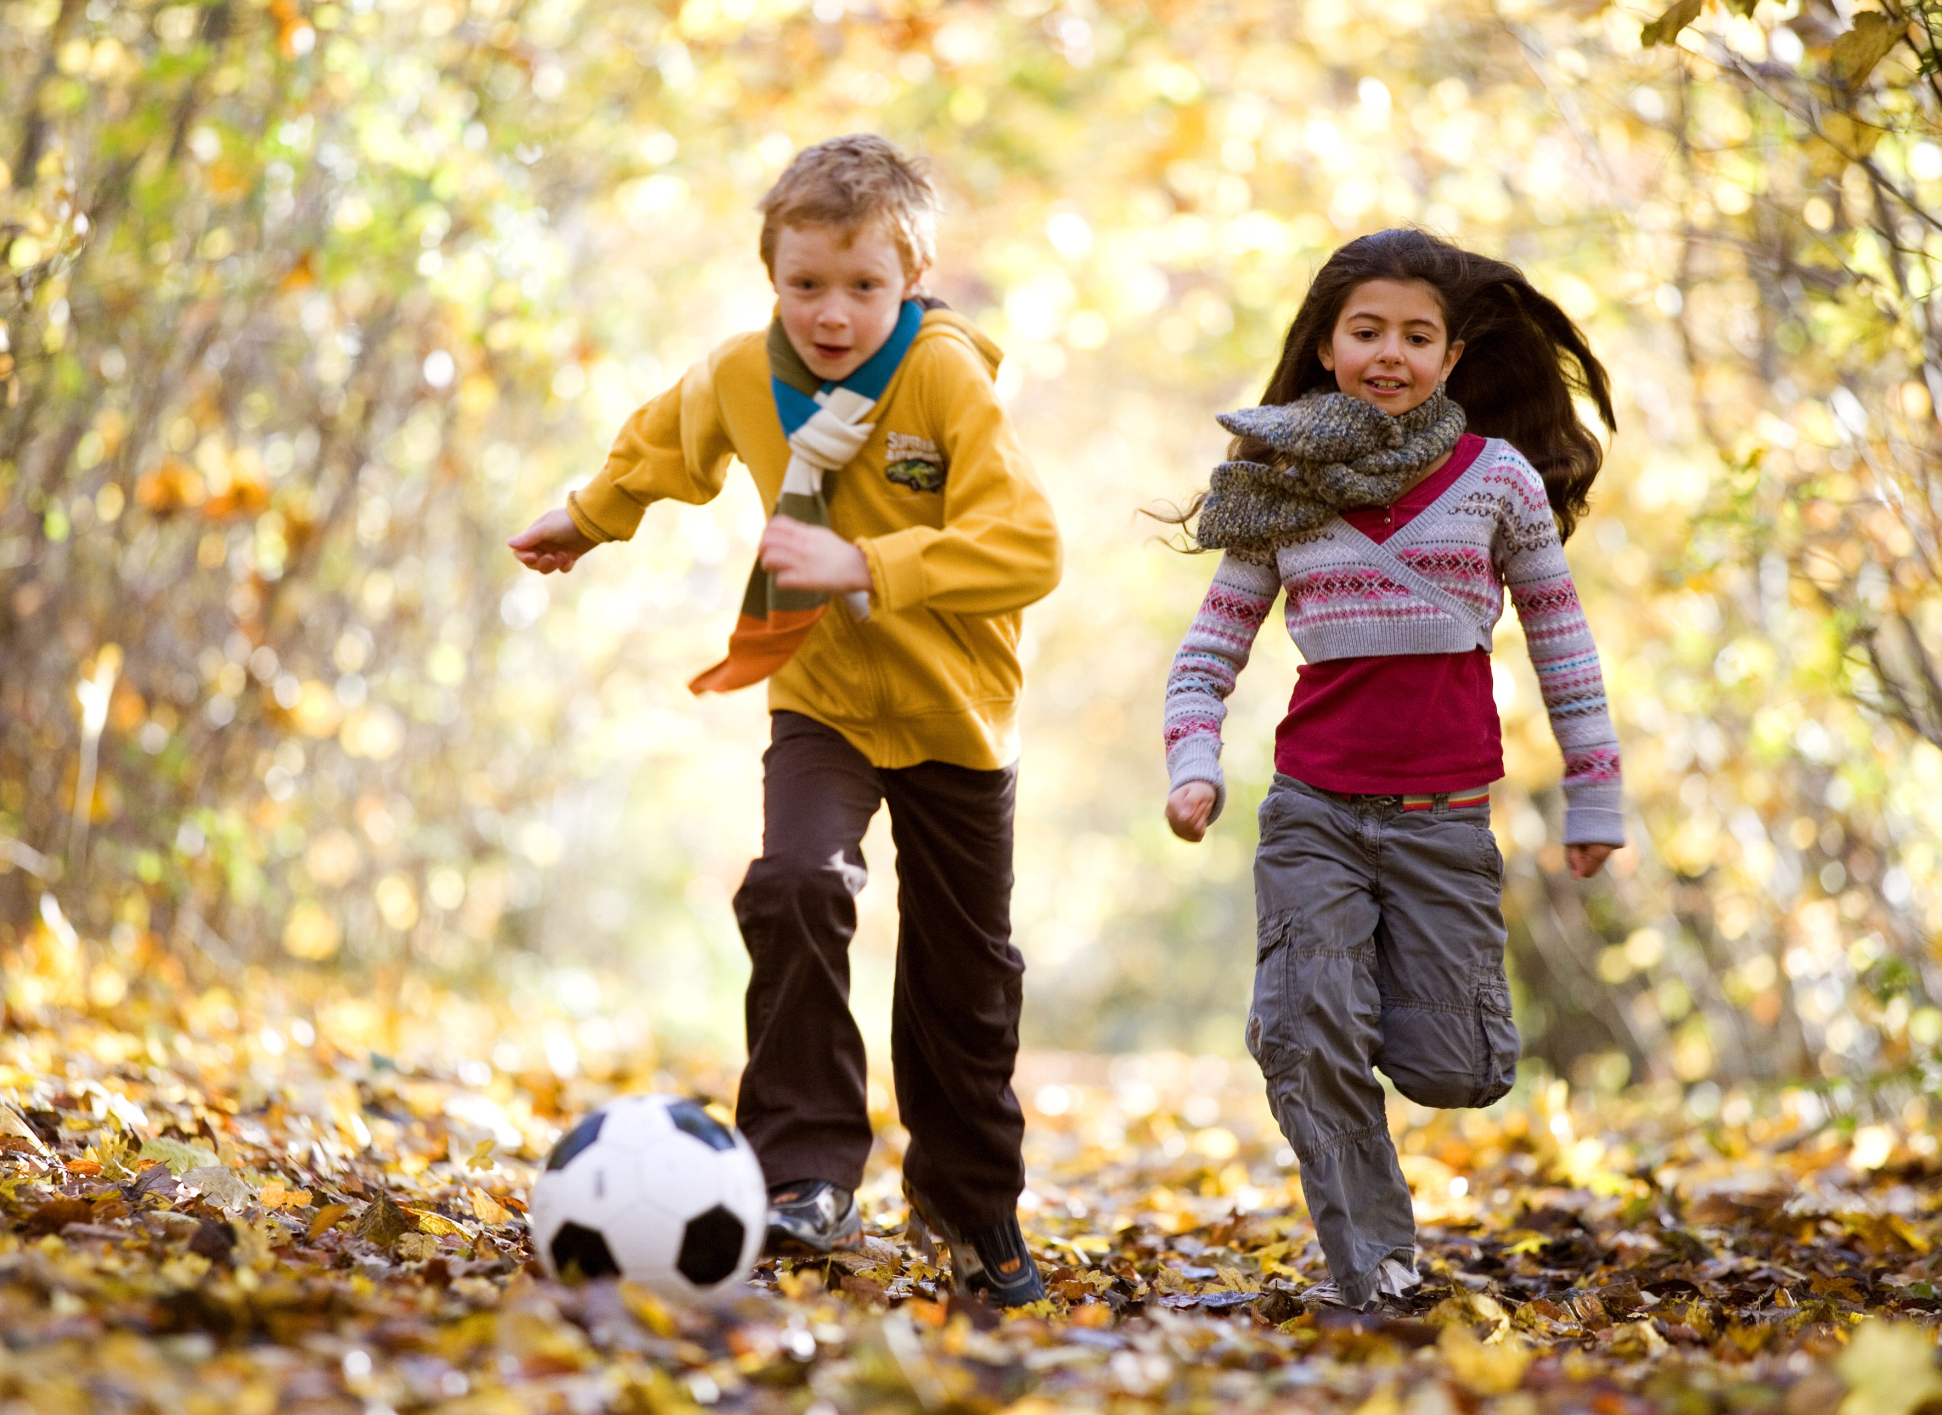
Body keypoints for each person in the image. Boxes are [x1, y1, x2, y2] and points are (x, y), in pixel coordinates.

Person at [508, 135, 1061, 1306]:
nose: (830, 312)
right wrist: (585, 517)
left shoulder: (947, 380)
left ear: (910, 278)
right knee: (796, 882)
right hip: (821, 694)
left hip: (958, 710)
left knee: (964, 976)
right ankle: (804, 1172)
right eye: (804, 283)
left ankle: (971, 1205)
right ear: (772, 277)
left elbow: (1030, 546)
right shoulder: (743, 373)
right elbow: (665, 443)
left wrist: (865, 560)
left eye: (862, 286)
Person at [1158, 228, 1623, 1312]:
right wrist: (1193, 760)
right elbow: (1207, 647)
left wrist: (1594, 792)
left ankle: (1379, 1023)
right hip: (1312, 808)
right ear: (1325, 345)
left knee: (1459, 1068)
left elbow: (1562, 641)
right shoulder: (1280, 483)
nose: (1389, 353)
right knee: (1303, 1032)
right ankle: (1377, 1266)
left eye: (1416, 336)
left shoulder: (1496, 481)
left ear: (1452, 358)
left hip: (1444, 819)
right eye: (1365, 330)